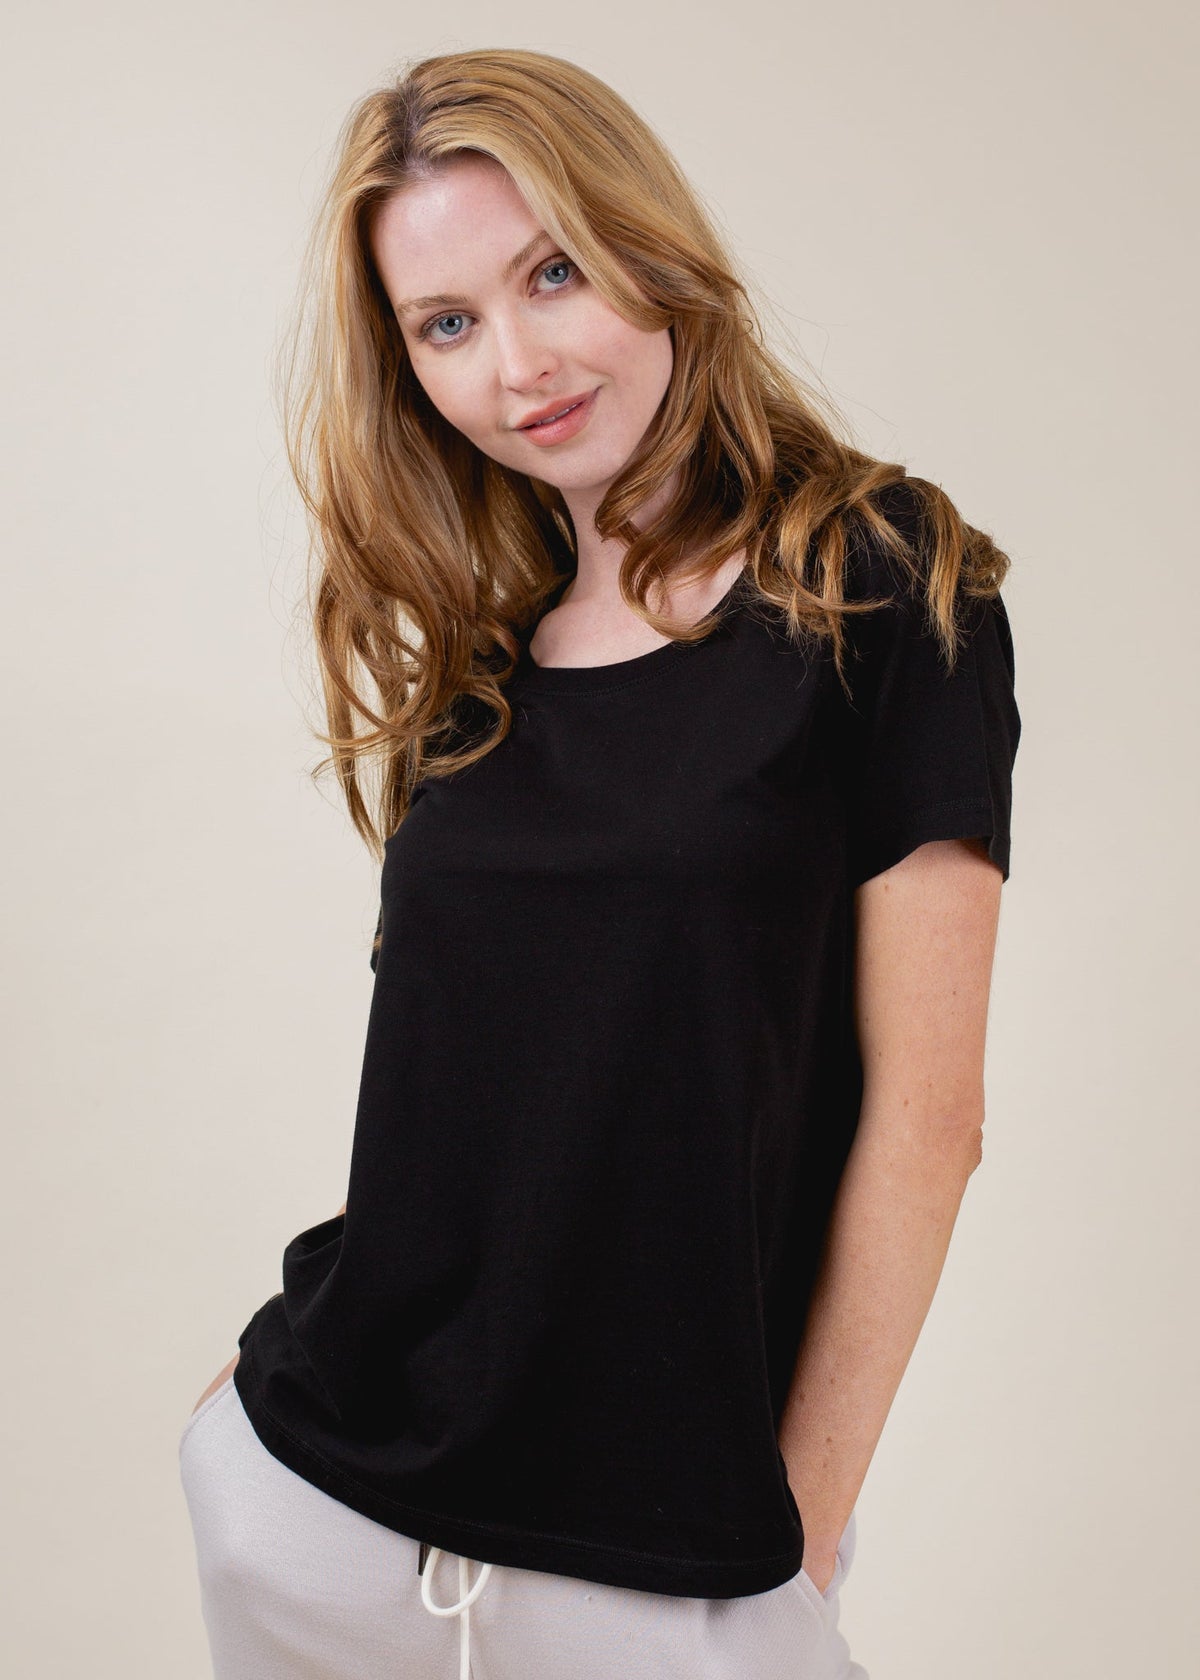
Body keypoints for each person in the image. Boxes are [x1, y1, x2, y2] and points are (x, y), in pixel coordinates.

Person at [178, 44, 1021, 1680]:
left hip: (672, 1568)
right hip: (314, 1518)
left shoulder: (877, 582)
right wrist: (244, 1437)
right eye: (446, 323)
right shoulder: (478, 673)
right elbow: (478, 1094)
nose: (520, 365)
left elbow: (933, 1119)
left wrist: (797, 1536)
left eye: (552, 271)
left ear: (647, 242)